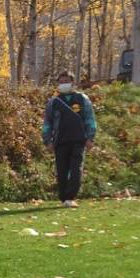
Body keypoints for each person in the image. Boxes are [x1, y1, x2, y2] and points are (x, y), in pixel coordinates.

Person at [41, 71, 97, 208]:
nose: (64, 84)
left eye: (66, 81)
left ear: (72, 83)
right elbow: (47, 123)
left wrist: (90, 137)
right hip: (60, 141)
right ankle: (63, 197)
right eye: (61, 82)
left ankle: (71, 197)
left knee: (76, 169)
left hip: (78, 140)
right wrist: (48, 141)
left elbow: (90, 119)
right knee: (61, 171)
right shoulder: (54, 102)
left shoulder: (82, 99)